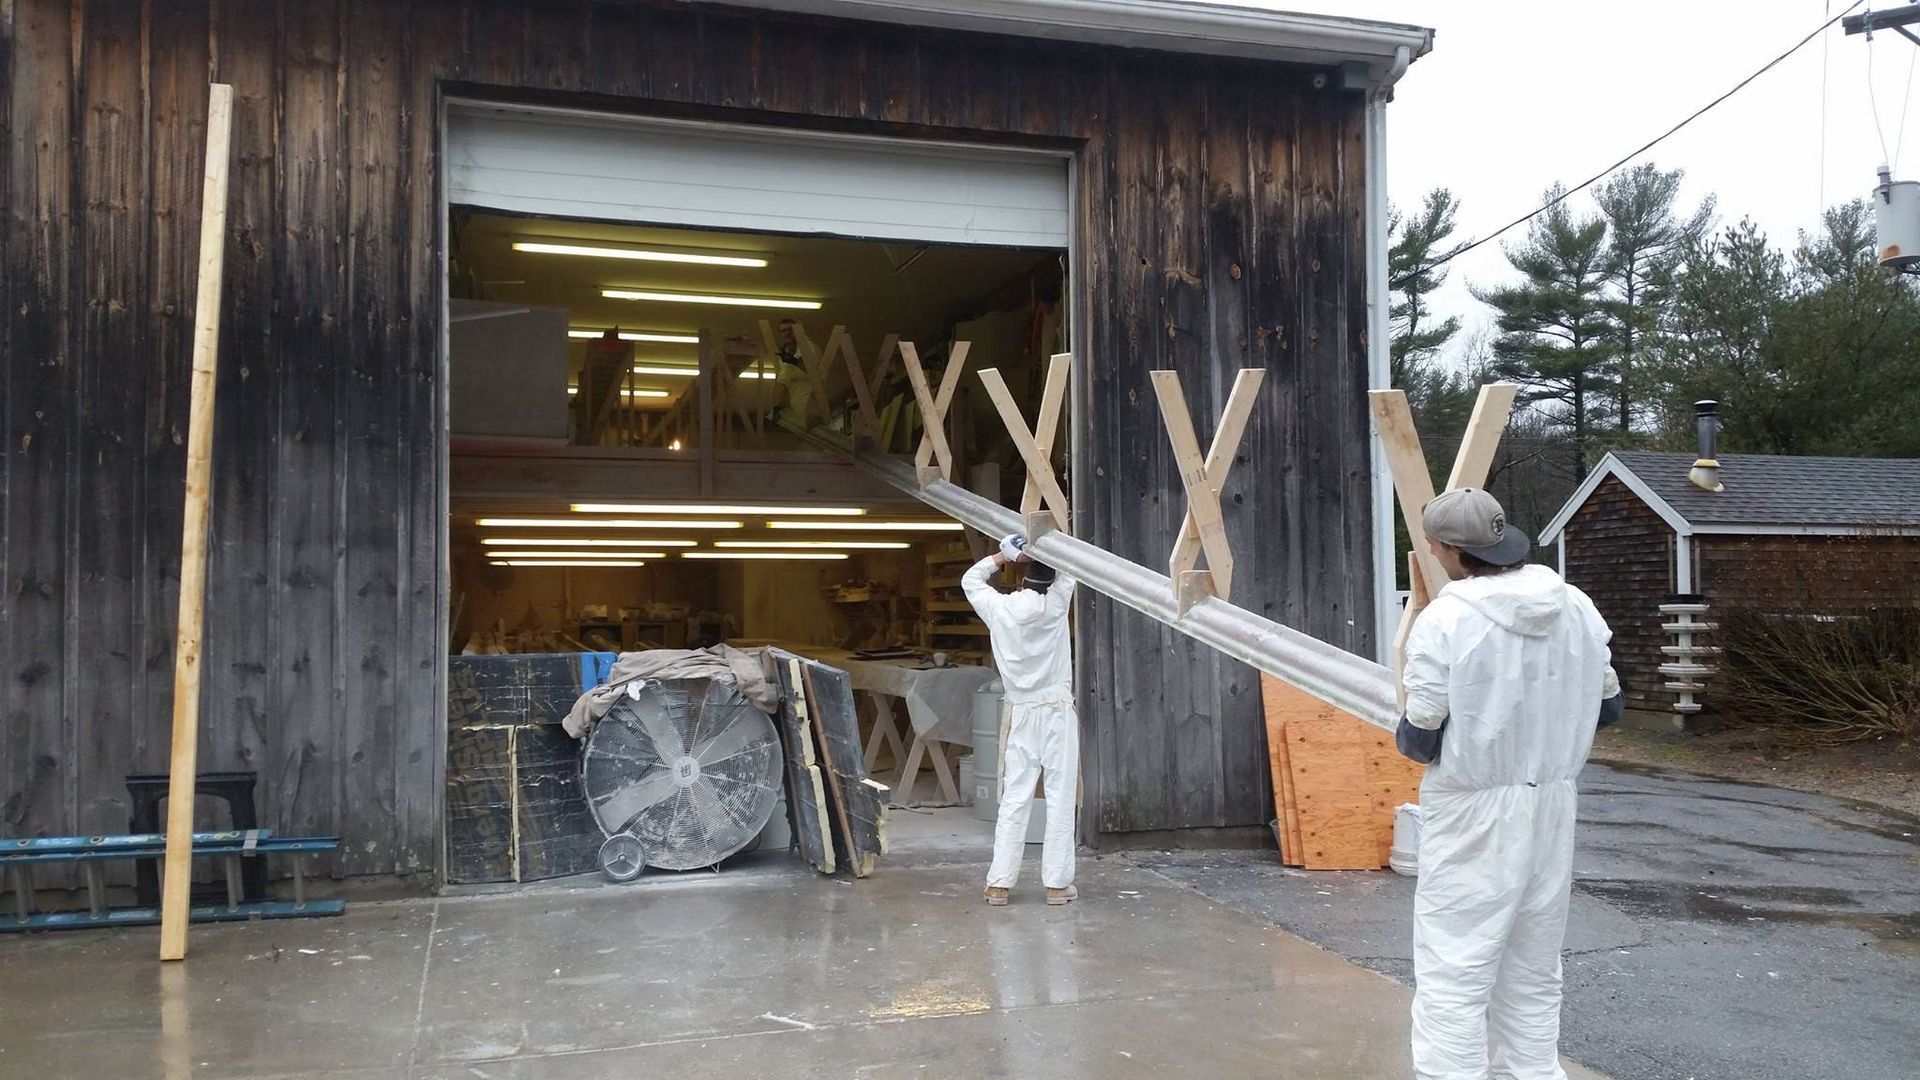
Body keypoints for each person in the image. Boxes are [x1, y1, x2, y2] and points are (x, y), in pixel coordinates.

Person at [1396, 488, 1624, 1080]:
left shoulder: (1447, 617)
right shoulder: (1575, 604)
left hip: (1475, 809)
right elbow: (1608, 708)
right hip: (1552, 802)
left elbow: (1421, 733)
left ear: (1443, 548)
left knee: (1455, 965)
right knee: (1533, 963)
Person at [962, 533, 1079, 907]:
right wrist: (1049, 551)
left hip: (1022, 712)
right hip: (1057, 710)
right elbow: (1071, 572)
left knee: (1014, 796)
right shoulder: (1057, 605)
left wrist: (1002, 557)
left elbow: (970, 581)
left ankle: (999, 883)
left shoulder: (1000, 609)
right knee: (1061, 796)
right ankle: (1057, 885)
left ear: (1023, 578)